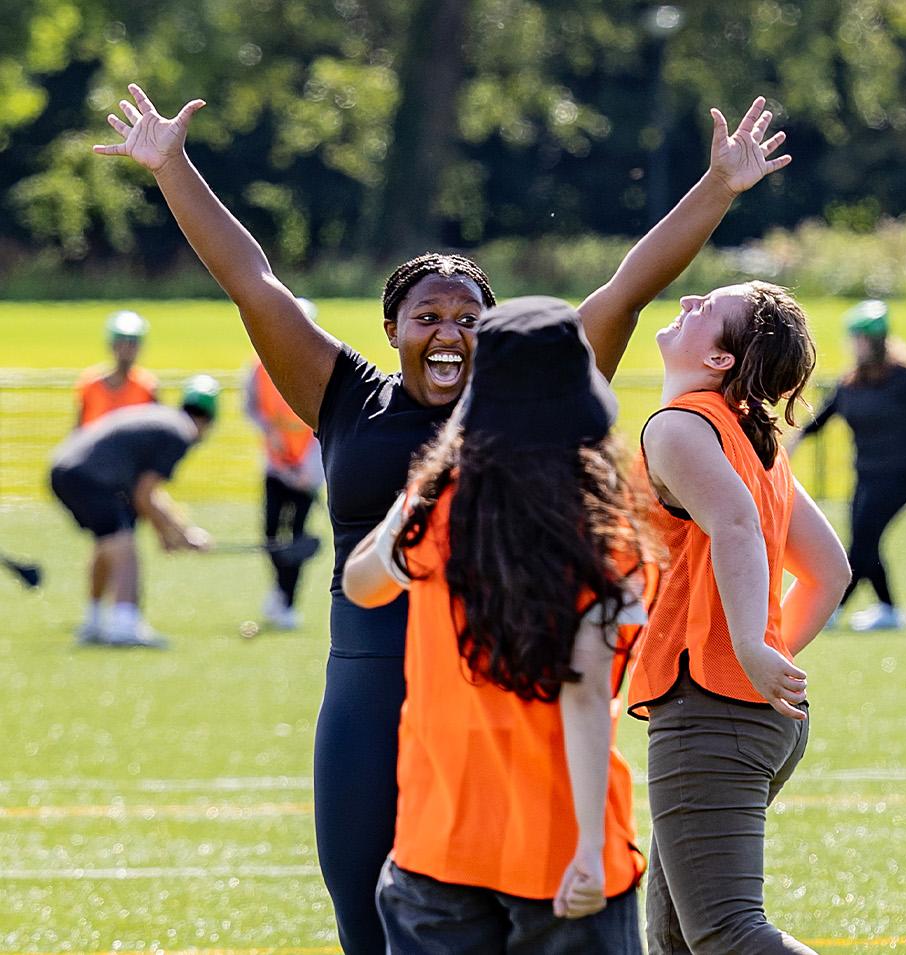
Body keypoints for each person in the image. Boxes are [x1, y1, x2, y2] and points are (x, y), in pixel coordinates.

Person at [92, 83, 792, 953]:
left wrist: (718, 187)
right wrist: (172, 167)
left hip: (496, 702)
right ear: (393, 328)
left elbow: (626, 290)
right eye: (428, 316)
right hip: (368, 692)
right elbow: (254, 282)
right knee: (366, 919)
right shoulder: (346, 397)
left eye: (469, 317)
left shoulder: (528, 398)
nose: (450, 330)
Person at [342, 298, 652, 952]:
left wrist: (427, 480)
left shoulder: (436, 507)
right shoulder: (604, 523)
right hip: (560, 847)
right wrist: (593, 849)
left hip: (437, 843)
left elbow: (360, 583)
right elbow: (587, 694)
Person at [630, 281, 851, 954]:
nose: (690, 298)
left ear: (723, 360)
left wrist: (751, 645)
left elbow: (735, 522)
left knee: (727, 934)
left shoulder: (678, 425)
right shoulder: (752, 437)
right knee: (675, 939)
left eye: (709, 308)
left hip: (711, 709)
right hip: (751, 714)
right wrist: (762, 654)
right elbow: (829, 571)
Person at [792, 300, 906, 631]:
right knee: (866, 540)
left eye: (861, 340)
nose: (855, 346)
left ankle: (830, 608)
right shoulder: (851, 381)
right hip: (867, 473)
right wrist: (794, 440)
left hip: (901, 475)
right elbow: (823, 416)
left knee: (863, 540)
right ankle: (888, 610)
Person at [49, 376, 219, 648]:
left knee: (109, 542)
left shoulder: (165, 421)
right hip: (90, 477)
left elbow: (147, 495)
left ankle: (93, 622)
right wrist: (177, 534)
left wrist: (174, 532)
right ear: (208, 422)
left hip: (65, 468)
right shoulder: (181, 434)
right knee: (124, 546)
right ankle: (124, 625)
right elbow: (145, 495)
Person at [243, 297, 325, 631]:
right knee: (270, 534)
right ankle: (279, 590)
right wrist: (270, 437)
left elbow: (325, 423)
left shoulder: (321, 367)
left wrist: (309, 468)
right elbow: (253, 409)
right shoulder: (259, 367)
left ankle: (289, 601)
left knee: (297, 537)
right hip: (276, 467)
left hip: (308, 471)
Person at [77, 311, 159, 428]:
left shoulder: (147, 386)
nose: (126, 350)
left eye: (132, 343)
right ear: (111, 345)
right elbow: (78, 432)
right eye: (121, 343)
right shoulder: (90, 385)